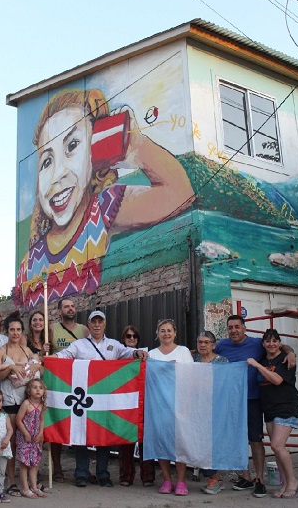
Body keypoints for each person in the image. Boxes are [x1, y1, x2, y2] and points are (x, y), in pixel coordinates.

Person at [16, 88, 194, 308]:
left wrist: (137, 146)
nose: (56, 175)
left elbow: (179, 194)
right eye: (46, 162)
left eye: (72, 146)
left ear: (96, 153)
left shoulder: (100, 209)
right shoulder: (29, 264)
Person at [56, 310, 149, 487]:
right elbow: (64, 355)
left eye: (100, 322)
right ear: (88, 325)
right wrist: (48, 358)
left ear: (104, 324)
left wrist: (137, 353)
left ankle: (103, 474)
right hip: (84, 398)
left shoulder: (114, 345)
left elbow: (129, 353)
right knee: (81, 434)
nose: (97, 325)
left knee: (103, 436)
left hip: (105, 400)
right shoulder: (79, 345)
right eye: (93, 322)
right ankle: (81, 473)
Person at [215, 315, 296, 498]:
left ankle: (259, 480)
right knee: (236, 439)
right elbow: (205, 354)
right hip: (232, 401)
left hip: (254, 400)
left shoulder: (256, 344)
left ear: (244, 328)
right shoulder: (222, 346)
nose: (234, 330)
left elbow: (276, 345)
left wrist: (291, 352)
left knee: (256, 441)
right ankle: (245, 477)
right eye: (230, 327)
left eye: (237, 326)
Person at [246, 329, 298, 499]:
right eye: (268, 341)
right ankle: (284, 483)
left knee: (277, 445)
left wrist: (257, 365)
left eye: (275, 341)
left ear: (279, 342)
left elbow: (277, 380)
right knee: (276, 449)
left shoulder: (285, 359)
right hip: (269, 410)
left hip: (286, 407)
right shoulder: (264, 358)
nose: (271, 344)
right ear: (263, 344)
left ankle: (292, 482)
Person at [0, 313, 42, 497]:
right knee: (12, 442)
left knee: (26, 441)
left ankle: (28, 481)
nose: (15, 332)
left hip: (26, 402)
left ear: (22, 332)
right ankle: (11, 481)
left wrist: (36, 366)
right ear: (7, 331)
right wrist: (10, 368)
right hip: (9, 401)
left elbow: (39, 368)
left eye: (18, 330)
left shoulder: (26, 350)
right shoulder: (1, 351)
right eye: (12, 329)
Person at [148, 319, 194, 495]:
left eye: (169, 331)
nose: (166, 334)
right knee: (162, 443)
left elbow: (190, 376)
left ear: (175, 333)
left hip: (180, 403)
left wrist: (187, 403)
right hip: (159, 405)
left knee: (179, 444)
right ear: (157, 334)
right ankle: (167, 480)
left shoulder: (183, 352)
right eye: (162, 331)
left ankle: (181, 481)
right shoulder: (152, 354)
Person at [46, 297, 88, 481]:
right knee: (56, 423)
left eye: (73, 305)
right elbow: (44, 353)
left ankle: (83, 469)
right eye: (66, 306)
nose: (70, 309)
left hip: (80, 383)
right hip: (58, 383)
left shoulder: (84, 330)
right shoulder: (52, 329)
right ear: (59, 311)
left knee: (81, 424)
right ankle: (57, 468)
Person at [117, 325, 155, 487]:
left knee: (145, 440)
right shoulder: (116, 359)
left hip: (143, 401)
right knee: (125, 441)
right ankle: (126, 476)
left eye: (134, 336)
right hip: (124, 403)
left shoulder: (146, 358)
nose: (131, 339)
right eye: (128, 336)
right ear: (123, 339)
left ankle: (147, 476)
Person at [192, 330, 228, 495]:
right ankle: (214, 479)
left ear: (214, 345)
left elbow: (227, 384)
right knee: (201, 444)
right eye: (200, 342)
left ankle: (214, 479)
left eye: (207, 342)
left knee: (212, 445)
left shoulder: (222, 362)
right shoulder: (193, 360)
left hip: (216, 409)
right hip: (197, 409)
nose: (203, 345)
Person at [15, 379, 49, 499]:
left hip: (35, 437)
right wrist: (25, 433)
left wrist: (40, 433)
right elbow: (18, 420)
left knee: (35, 462)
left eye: (40, 387)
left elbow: (41, 420)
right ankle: (25, 488)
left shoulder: (42, 405)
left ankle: (34, 486)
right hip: (25, 437)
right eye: (34, 387)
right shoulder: (26, 404)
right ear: (29, 391)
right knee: (24, 463)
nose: (38, 390)